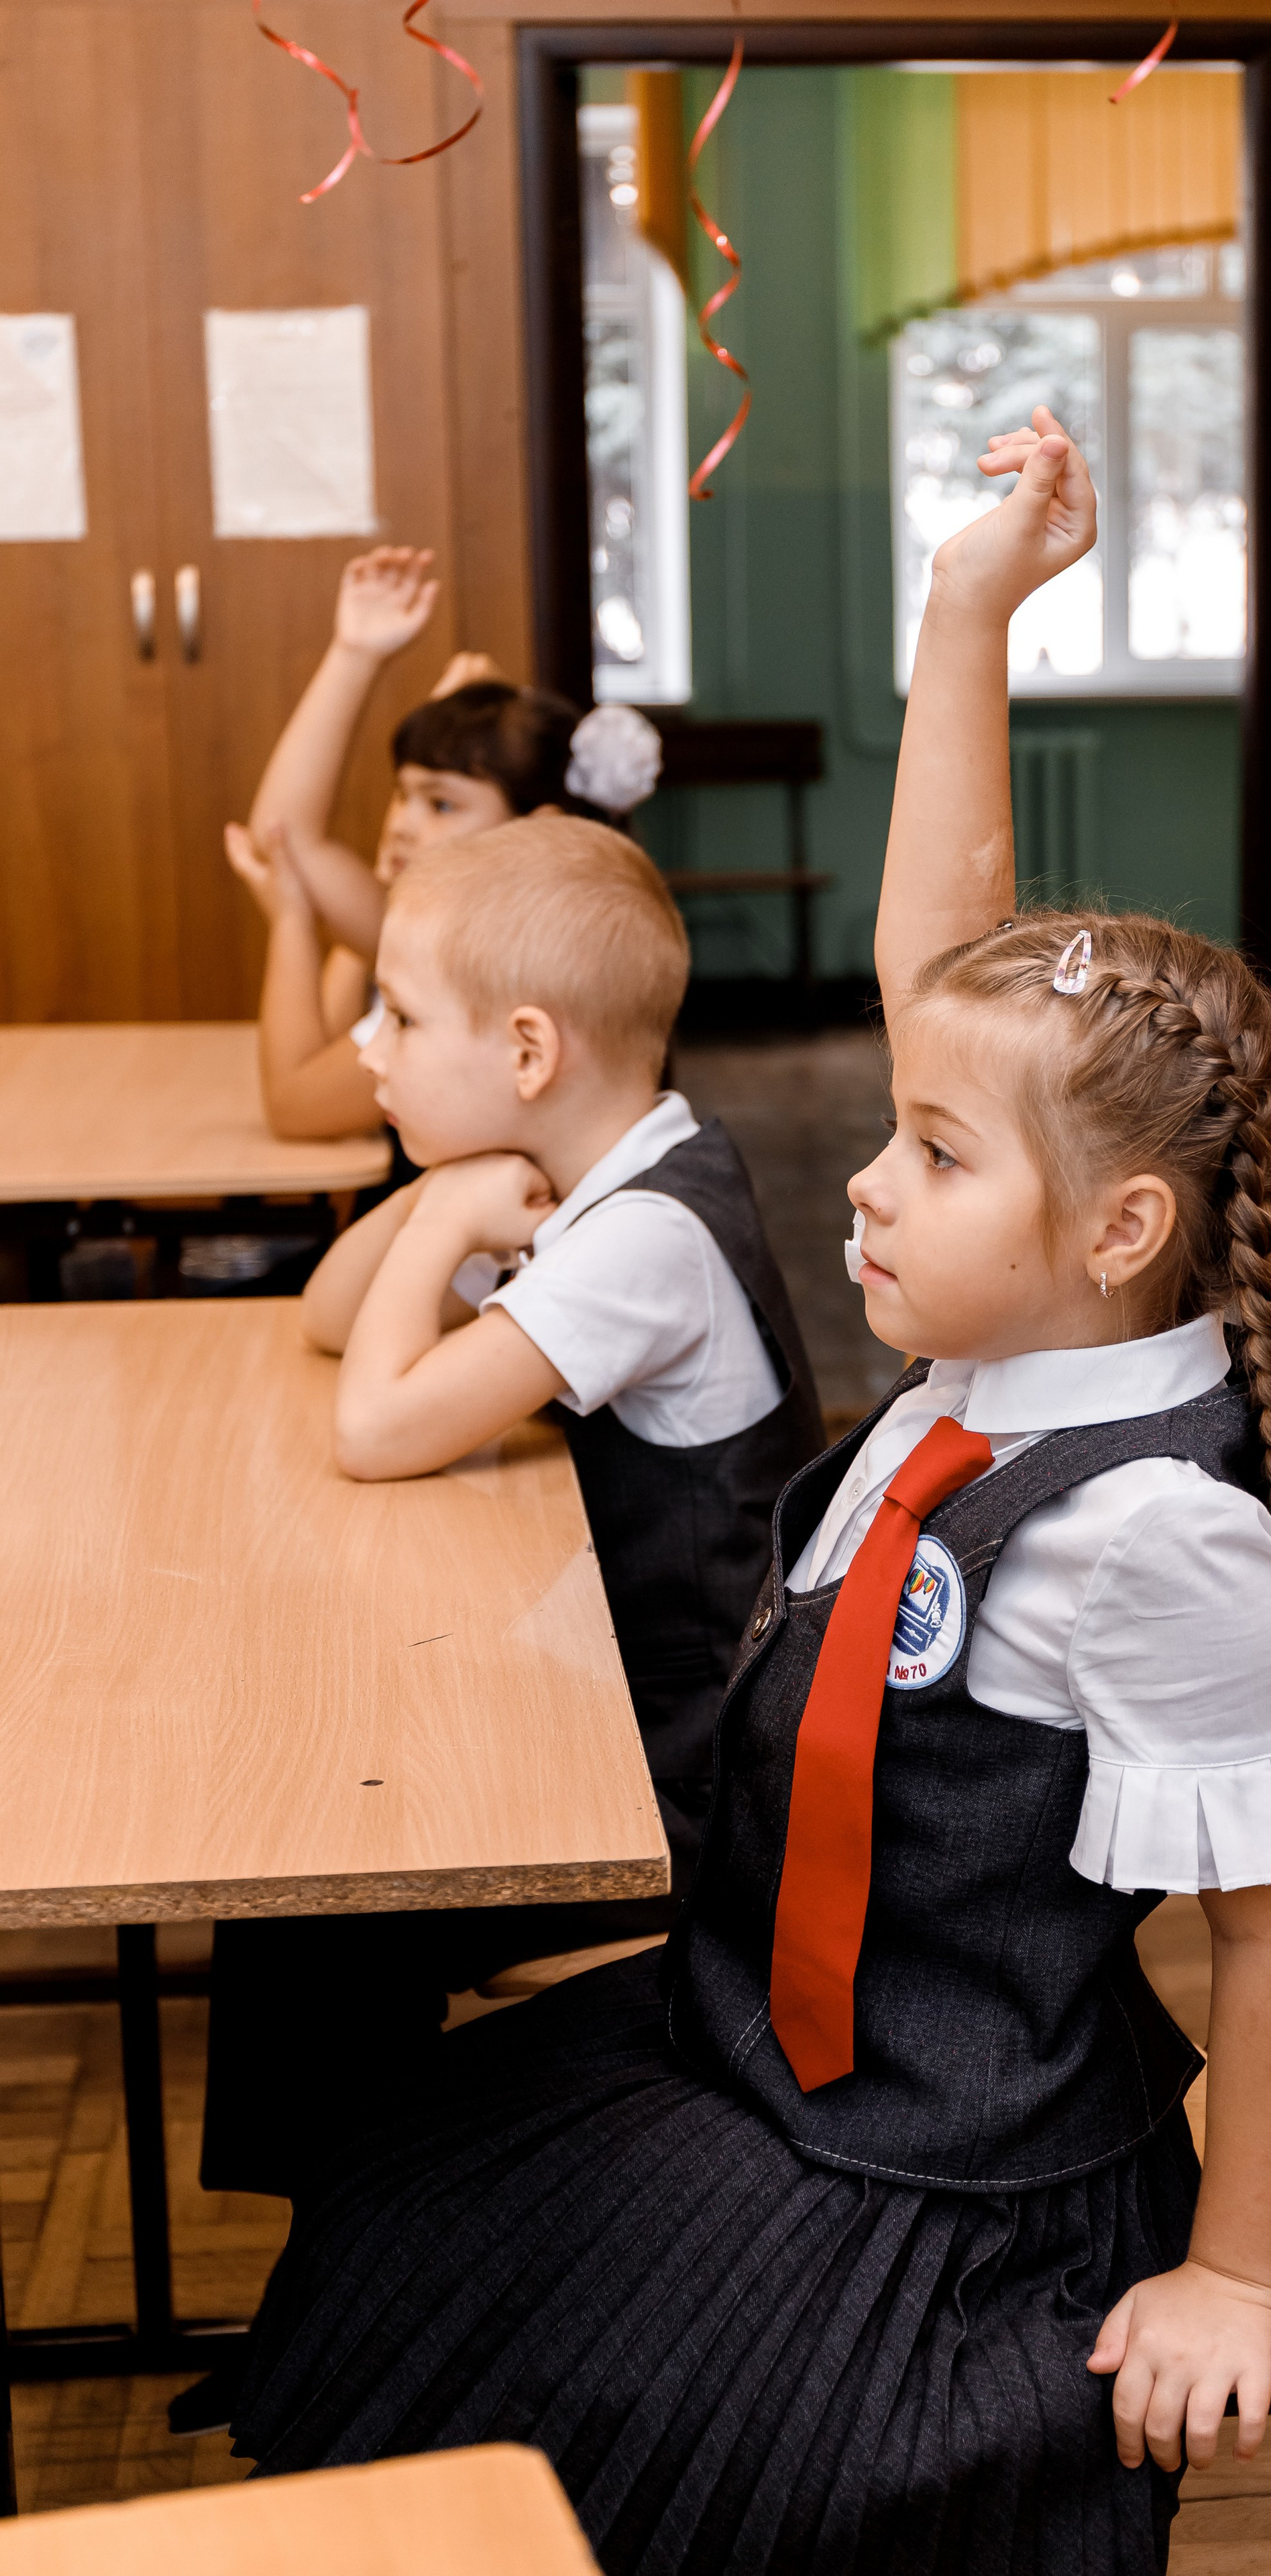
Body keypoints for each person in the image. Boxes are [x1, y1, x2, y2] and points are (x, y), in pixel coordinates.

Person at [225, 417, 1271, 2571]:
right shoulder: (1001, 1340)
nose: (865, 1184)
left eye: (932, 1156)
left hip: (937, 2164)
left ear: (1121, 1224)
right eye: (895, 1129)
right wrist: (970, 605)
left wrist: (1238, 2274)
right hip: (764, 2047)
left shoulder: (1147, 1525)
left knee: (641, 2443)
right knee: (403, 2203)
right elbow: (942, 948)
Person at [178, 812, 824, 2433]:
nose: (363, 1044)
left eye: (396, 1013)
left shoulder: (644, 1238)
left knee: (324, 1873)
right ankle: (346, 2294)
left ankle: (376, 2316)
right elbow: (331, 1321)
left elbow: (376, 1423)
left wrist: (455, 1210)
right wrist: (449, 1195)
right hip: (613, 1701)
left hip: (688, 1780)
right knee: (309, 1868)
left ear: (526, 1047)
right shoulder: (593, 1174)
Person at [226, 543, 663, 1145]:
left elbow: (295, 1108)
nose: (402, 823)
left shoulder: (493, 974)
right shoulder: (458, 933)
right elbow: (285, 837)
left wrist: (293, 922)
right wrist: (355, 652)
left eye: (441, 804)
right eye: (401, 795)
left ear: (536, 829)